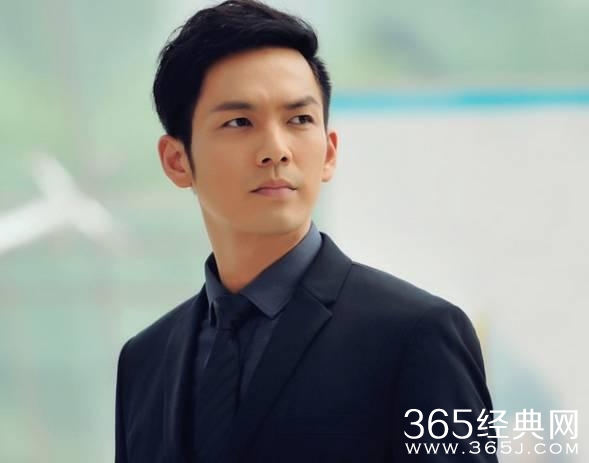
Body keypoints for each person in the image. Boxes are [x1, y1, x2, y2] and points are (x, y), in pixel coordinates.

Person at [114, 1, 499, 462]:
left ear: (329, 152)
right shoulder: (144, 361)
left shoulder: (418, 336)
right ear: (177, 160)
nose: (276, 150)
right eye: (239, 122)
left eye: (299, 119)